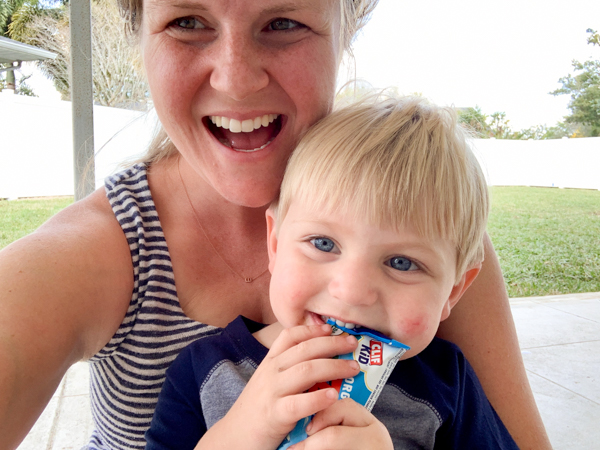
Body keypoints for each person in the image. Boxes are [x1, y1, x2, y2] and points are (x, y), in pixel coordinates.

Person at [0, 1, 550, 449]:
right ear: (139, 39)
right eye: (187, 22)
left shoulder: (429, 220)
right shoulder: (99, 270)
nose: (237, 80)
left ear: (344, 30)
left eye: (283, 22)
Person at [145, 96, 519, 450]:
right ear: (275, 245)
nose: (351, 291)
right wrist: (242, 430)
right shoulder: (205, 371)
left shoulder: (446, 384)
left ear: (452, 293)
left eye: (402, 263)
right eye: (323, 244)